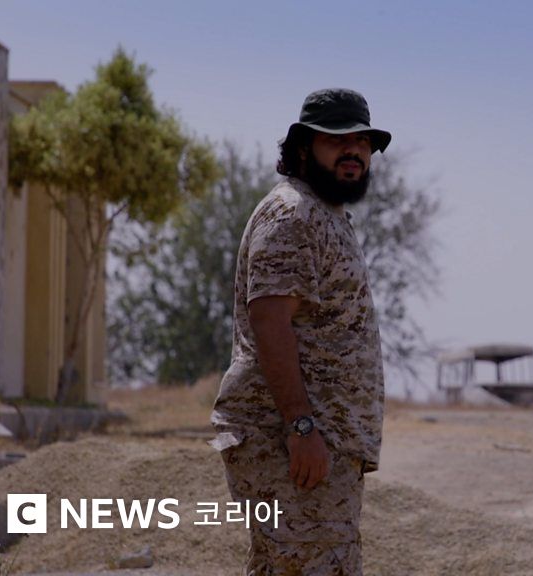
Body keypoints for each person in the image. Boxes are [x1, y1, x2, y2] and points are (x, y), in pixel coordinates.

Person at [210, 88, 390, 575]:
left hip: (320, 445)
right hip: (292, 443)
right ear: (304, 148)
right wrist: (301, 427)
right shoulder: (293, 214)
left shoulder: (325, 214)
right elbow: (270, 322)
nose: (353, 151)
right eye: (337, 140)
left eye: (362, 142)